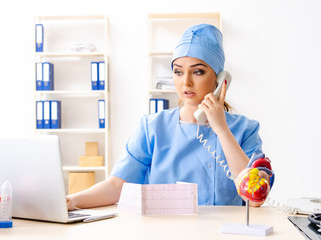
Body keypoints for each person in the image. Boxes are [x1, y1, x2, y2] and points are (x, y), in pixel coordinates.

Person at [66, 24, 271, 210]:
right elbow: (116, 185)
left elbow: (255, 200)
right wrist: (72, 201)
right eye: (178, 72)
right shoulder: (152, 127)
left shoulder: (245, 129)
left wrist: (221, 129)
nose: (186, 82)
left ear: (220, 80)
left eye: (198, 72)